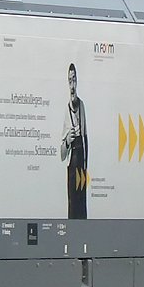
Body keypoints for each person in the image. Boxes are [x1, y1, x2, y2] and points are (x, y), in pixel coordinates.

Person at [60, 63, 88, 219]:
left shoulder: (82, 107)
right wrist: (68, 141)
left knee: (82, 207)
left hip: (82, 171)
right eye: (69, 81)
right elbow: (62, 154)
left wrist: (86, 168)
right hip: (72, 169)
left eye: (74, 80)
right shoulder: (66, 110)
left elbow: (86, 139)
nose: (72, 85)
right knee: (73, 207)